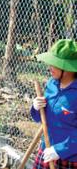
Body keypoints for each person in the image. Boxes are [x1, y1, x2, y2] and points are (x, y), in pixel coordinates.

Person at [31, 39, 77, 169]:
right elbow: (42, 117)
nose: (49, 67)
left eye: (54, 64)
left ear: (68, 68)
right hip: (47, 149)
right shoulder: (52, 84)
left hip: (70, 158)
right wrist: (36, 108)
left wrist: (60, 150)